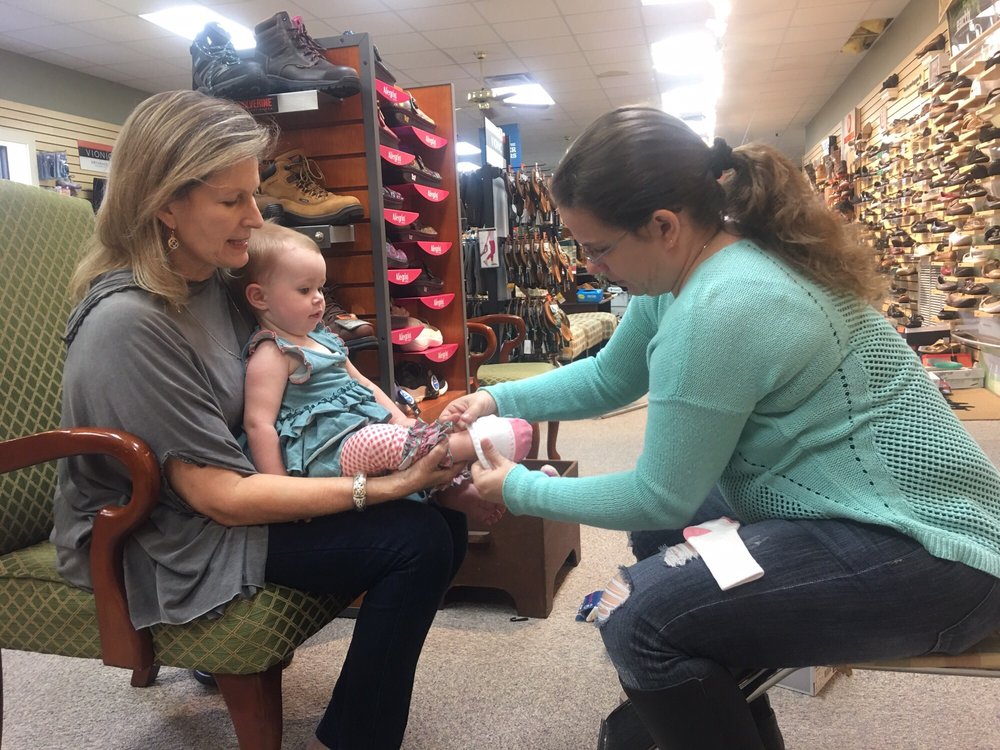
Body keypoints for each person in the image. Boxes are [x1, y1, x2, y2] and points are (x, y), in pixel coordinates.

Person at [442, 105, 1000, 749]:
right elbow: (609, 379)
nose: (589, 266)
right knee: (662, 544)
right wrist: (495, 400)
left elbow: (658, 493)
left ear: (663, 225)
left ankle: (696, 684)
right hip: (847, 509)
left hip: (935, 559)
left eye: (598, 248)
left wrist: (517, 488)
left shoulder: (722, 306)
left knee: (636, 623)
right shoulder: (689, 269)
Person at [53, 89, 466, 750]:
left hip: (232, 490)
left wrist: (399, 439)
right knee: (416, 540)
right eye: (232, 200)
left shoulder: (215, 280)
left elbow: (307, 364)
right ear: (165, 205)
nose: (256, 215)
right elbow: (219, 497)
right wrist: (383, 486)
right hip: (164, 534)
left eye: (254, 193)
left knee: (445, 518)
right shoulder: (131, 324)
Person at [235, 221, 532, 524]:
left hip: (360, 430)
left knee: (402, 437)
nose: (318, 298)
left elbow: (363, 383)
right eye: (304, 290)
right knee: (382, 441)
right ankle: (463, 446)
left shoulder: (323, 338)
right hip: (328, 452)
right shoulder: (273, 352)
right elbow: (259, 424)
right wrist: (283, 490)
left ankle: (454, 490)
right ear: (260, 297)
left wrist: (399, 419)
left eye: (320, 288)